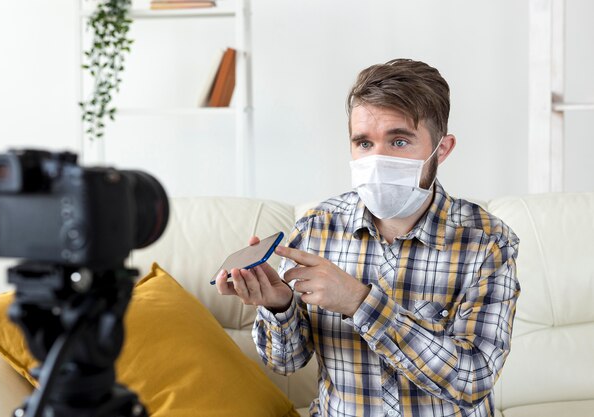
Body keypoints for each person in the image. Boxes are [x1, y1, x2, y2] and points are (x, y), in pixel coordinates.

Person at [216, 58, 520, 417]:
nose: (377, 159)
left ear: (442, 149)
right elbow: (285, 362)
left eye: (399, 140)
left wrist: (360, 302)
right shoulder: (317, 228)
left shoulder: (487, 243)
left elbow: (473, 380)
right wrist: (279, 306)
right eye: (363, 143)